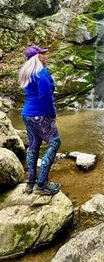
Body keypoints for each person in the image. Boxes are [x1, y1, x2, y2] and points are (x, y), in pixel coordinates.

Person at [19, 45, 61, 195]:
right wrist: (52, 114)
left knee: (34, 145)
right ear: (37, 57)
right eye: (43, 54)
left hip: (27, 114)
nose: (45, 56)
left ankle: (30, 183)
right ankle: (42, 183)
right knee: (55, 142)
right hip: (40, 115)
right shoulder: (41, 73)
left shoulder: (27, 73)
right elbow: (46, 97)